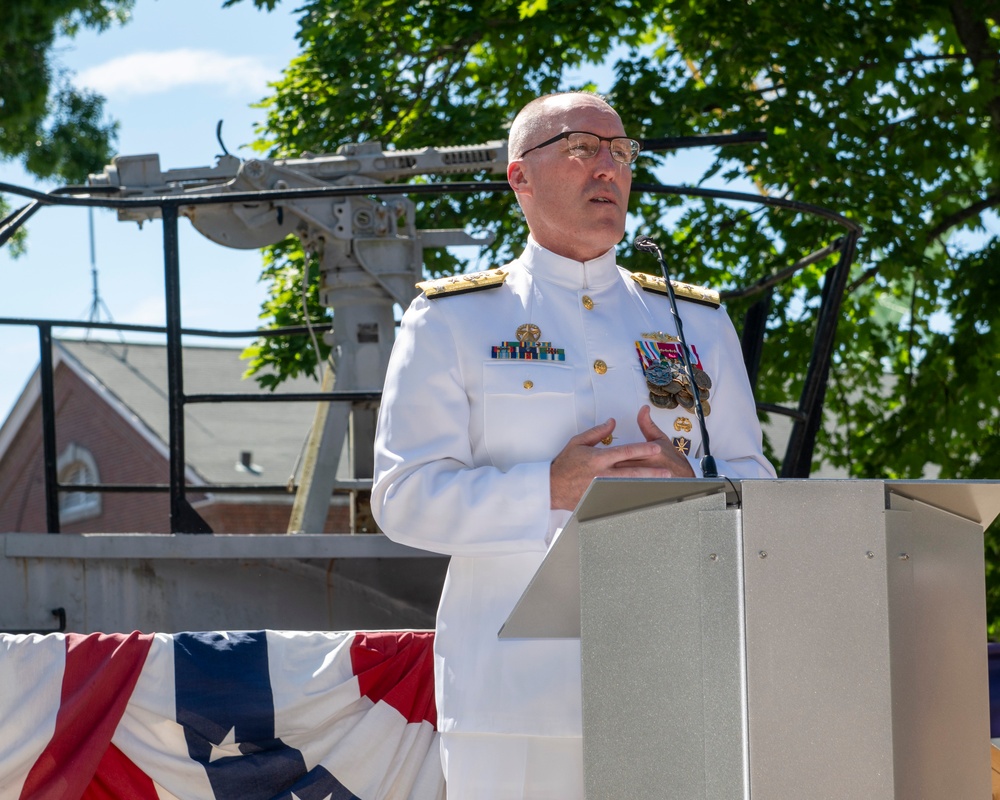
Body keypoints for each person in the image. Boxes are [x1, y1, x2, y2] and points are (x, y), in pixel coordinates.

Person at [372, 91, 775, 798]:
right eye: (582, 148)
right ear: (519, 177)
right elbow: (403, 499)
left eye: (621, 153)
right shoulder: (452, 319)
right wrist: (547, 489)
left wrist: (695, 487)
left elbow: (758, 485)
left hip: (674, 688)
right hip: (516, 701)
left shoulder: (695, 321)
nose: (608, 170)